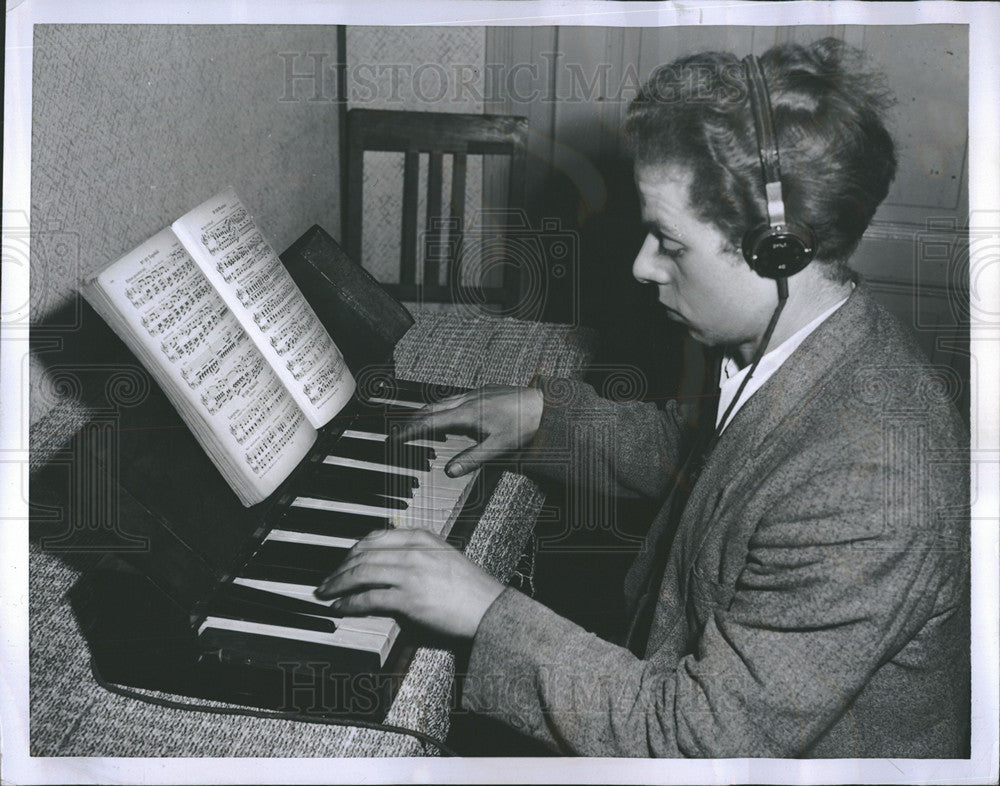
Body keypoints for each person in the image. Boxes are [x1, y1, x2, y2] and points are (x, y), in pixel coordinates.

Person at [316, 38, 969, 757]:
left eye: (669, 242)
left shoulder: (869, 485)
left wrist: (486, 610)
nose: (640, 265)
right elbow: (708, 469)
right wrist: (543, 418)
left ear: (777, 251)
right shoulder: (794, 347)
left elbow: (693, 742)